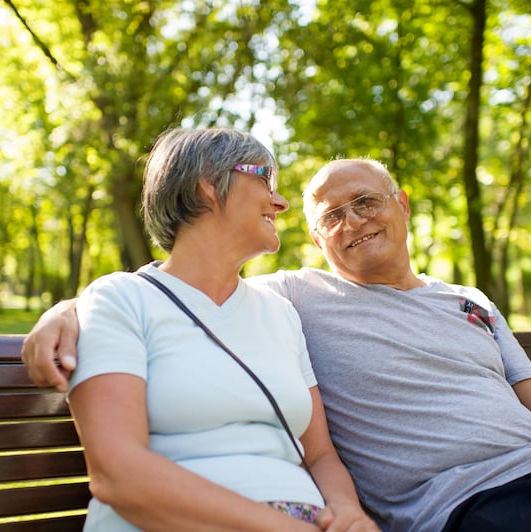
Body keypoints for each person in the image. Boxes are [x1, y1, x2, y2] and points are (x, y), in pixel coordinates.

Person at [22, 157, 531, 531]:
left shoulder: (474, 302)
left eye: (366, 202)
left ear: (402, 206)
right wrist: (69, 308)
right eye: (330, 216)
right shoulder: (293, 295)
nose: (352, 222)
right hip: (467, 507)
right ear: (317, 239)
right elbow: (181, 280)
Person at [50, 128, 378, 531]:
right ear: (207, 186)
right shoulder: (121, 300)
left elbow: (321, 456)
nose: (281, 201)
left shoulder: (281, 312)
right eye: (264, 180)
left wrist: (348, 511)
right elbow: (119, 476)